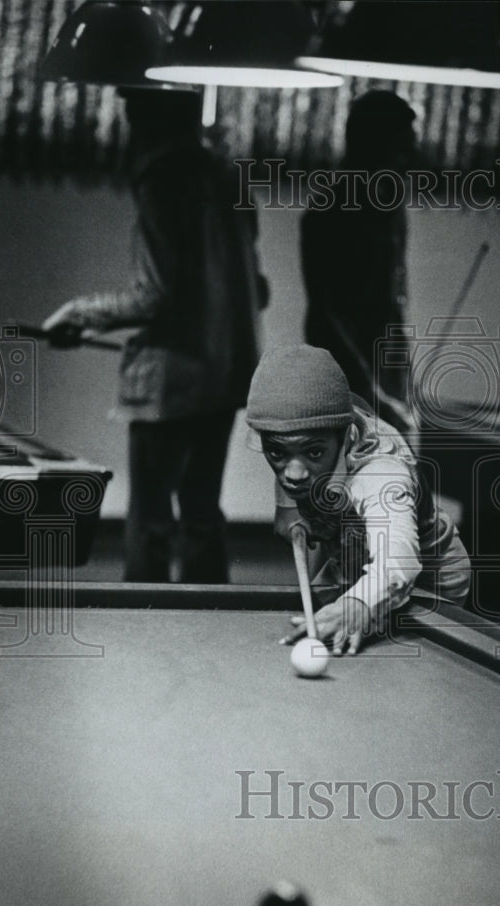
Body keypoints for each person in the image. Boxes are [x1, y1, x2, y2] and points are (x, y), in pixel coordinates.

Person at [43, 89, 268, 583]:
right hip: (227, 371)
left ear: (146, 119)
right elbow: (259, 285)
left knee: (150, 521)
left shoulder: (161, 180)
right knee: (202, 511)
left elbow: (154, 297)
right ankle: (210, 631)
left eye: (133, 114)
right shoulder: (229, 173)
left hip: (171, 379)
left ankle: (145, 635)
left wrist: (78, 314)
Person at [246, 345, 471, 654]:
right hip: (351, 557)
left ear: (345, 435)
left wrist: (358, 602)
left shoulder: (382, 474)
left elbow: (398, 562)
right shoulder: (323, 422)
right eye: (277, 453)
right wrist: (288, 505)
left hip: (426, 584)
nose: (293, 474)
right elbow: (292, 447)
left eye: (313, 452)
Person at [300, 90, 417, 433]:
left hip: (384, 378)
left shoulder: (392, 206)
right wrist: (371, 392)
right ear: (373, 147)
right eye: (400, 150)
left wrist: (401, 382)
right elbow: (326, 314)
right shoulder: (328, 211)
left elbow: (392, 303)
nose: (409, 160)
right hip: (342, 381)